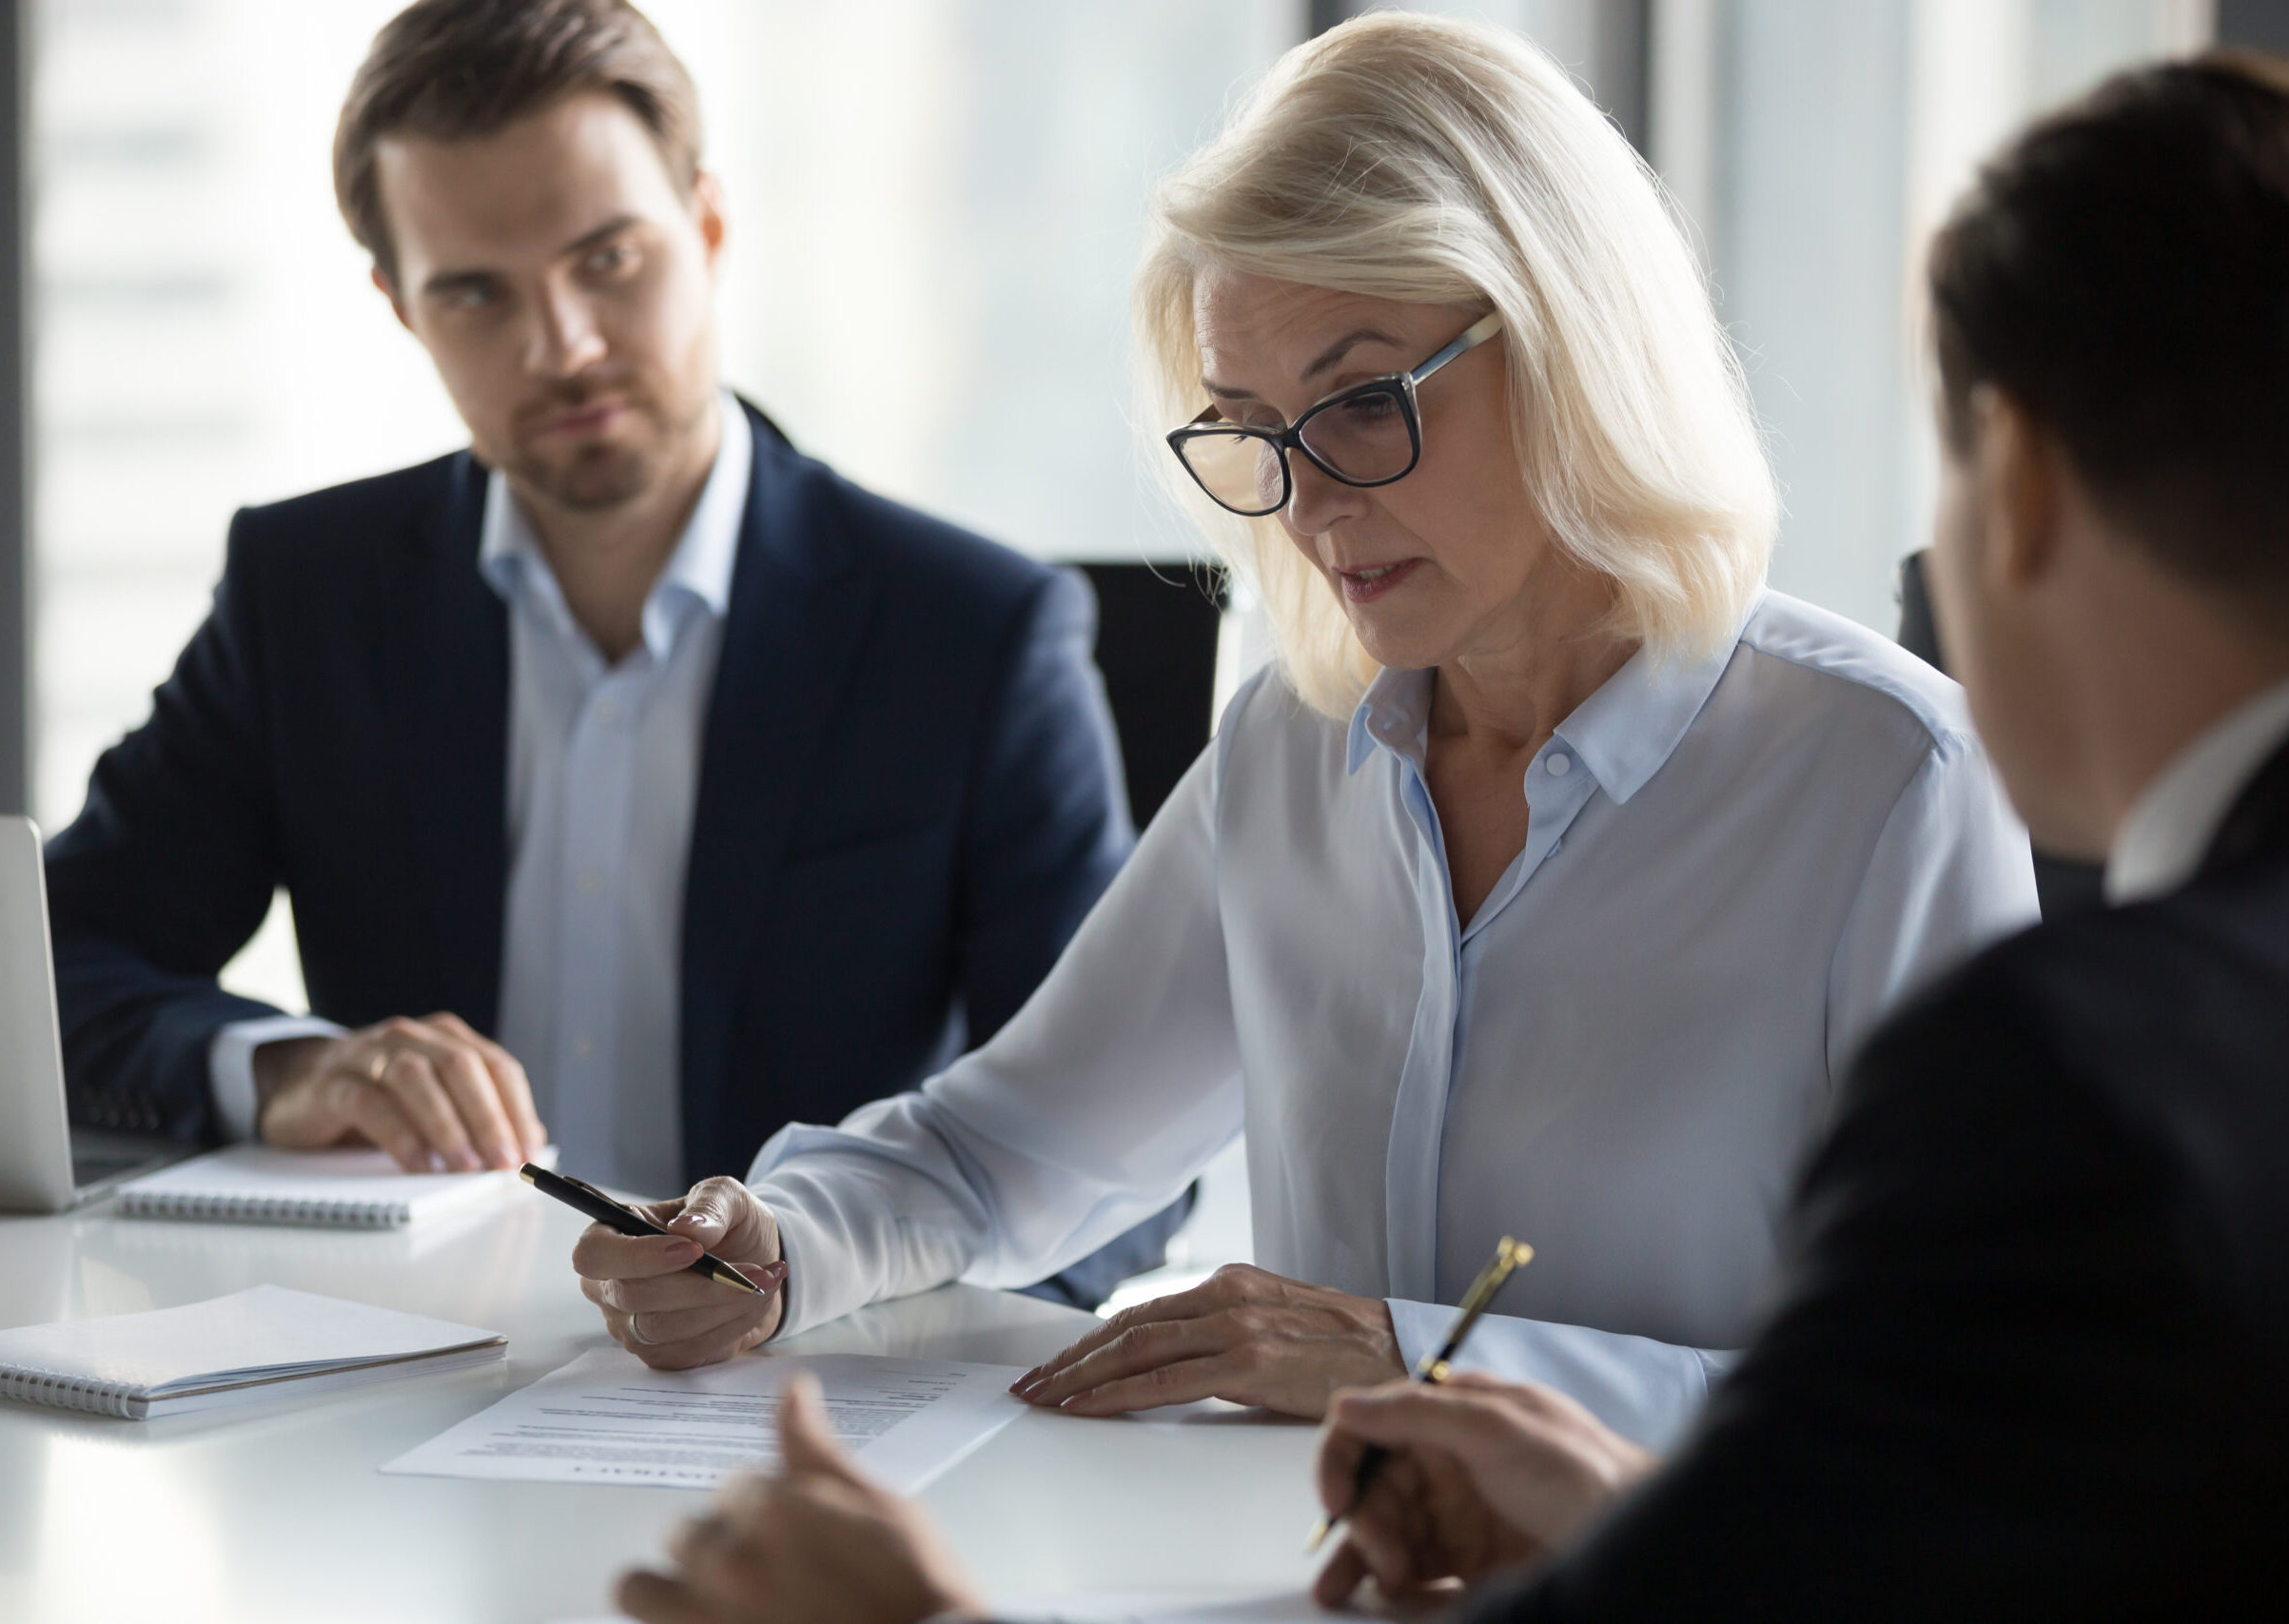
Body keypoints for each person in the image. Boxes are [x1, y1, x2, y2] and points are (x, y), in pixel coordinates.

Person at [613, 49, 2289, 1624]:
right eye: (1253, 433)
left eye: (1359, 405)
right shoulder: (1295, 744)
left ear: (1563, 344)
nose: (1314, 502)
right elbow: (1005, 1151)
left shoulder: (1881, 781)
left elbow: (1938, 1434)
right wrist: (779, 1245)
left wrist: (1401, 1354)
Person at [42, 0, 1185, 1309]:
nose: (561, 345)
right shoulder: (308, 595)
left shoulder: (973, 632)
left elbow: (1116, 1164)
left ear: (706, 226)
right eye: (476, 292)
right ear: (400, 307)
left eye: (608, 259)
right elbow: (43, 983)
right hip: (403, 1384)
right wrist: (285, 1072)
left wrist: (879, 1327)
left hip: (815, 1388)